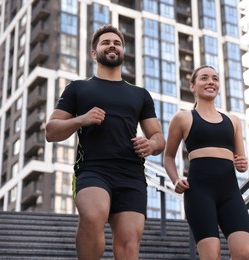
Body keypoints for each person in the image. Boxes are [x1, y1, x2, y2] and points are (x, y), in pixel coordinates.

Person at [45, 24, 165, 260]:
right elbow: (51, 131)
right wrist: (82, 119)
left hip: (131, 174)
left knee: (129, 243)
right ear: (94, 53)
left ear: (122, 51)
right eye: (106, 42)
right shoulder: (78, 88)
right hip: (92, 169)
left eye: (117, 43)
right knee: (92, 215)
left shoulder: (140, 94)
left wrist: (151, 145)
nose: (112, 45)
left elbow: (159, 137)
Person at [163, 65, 249, 260]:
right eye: (204, 78)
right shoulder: (182, 118)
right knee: (211, 256)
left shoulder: (233, 121)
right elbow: (168, 157)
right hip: (199, 194)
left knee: (243, 253)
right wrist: (176, 179)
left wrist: (243, 164)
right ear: (193, 86)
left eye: (215, 78)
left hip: (230, 194)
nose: (210, 82)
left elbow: (241, 160)